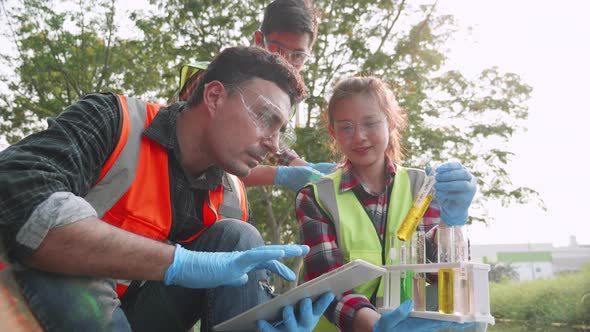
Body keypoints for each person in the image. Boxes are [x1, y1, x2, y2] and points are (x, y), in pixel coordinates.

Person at [0, 46, 332, 332]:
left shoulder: (232, 197)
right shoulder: (114, 121)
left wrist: (262, 320)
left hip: (130, 317)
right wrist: (180, 263)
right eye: (265, 118)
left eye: (280, 130)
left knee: (239, 238)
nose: (273, 144)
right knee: (74, 259)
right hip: (25, 305)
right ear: (214, 96)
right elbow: (16, 196)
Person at [296, 76, 478, 331]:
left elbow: (437, 273)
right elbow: (327, 287)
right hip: (347, 328)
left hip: (405, 322)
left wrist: (452, 222)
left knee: (468, 307)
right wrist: (375, 326)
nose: (359, 137)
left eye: (370, 123)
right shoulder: (316, 197)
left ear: (391, 122)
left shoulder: (421, 186)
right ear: (333, 132)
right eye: (346, 127)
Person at [174, 0, 337, 192]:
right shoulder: (218, 78)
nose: (286, 62)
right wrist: (282, 175)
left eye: (298, 55)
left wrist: (309, 168)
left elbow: (276, 151)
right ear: (259, 39)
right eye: (278, 49)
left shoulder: (281, 101)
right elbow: (214, 159)